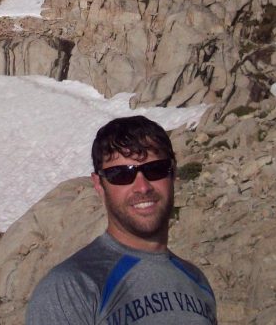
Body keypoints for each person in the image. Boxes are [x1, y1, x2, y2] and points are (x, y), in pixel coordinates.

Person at [26, 115, 217, 324]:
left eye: (155, 169)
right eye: (121, 174)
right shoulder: (70, 288)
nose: (142, 187)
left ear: (172, 173)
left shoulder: (197, 281)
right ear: (99, 185)